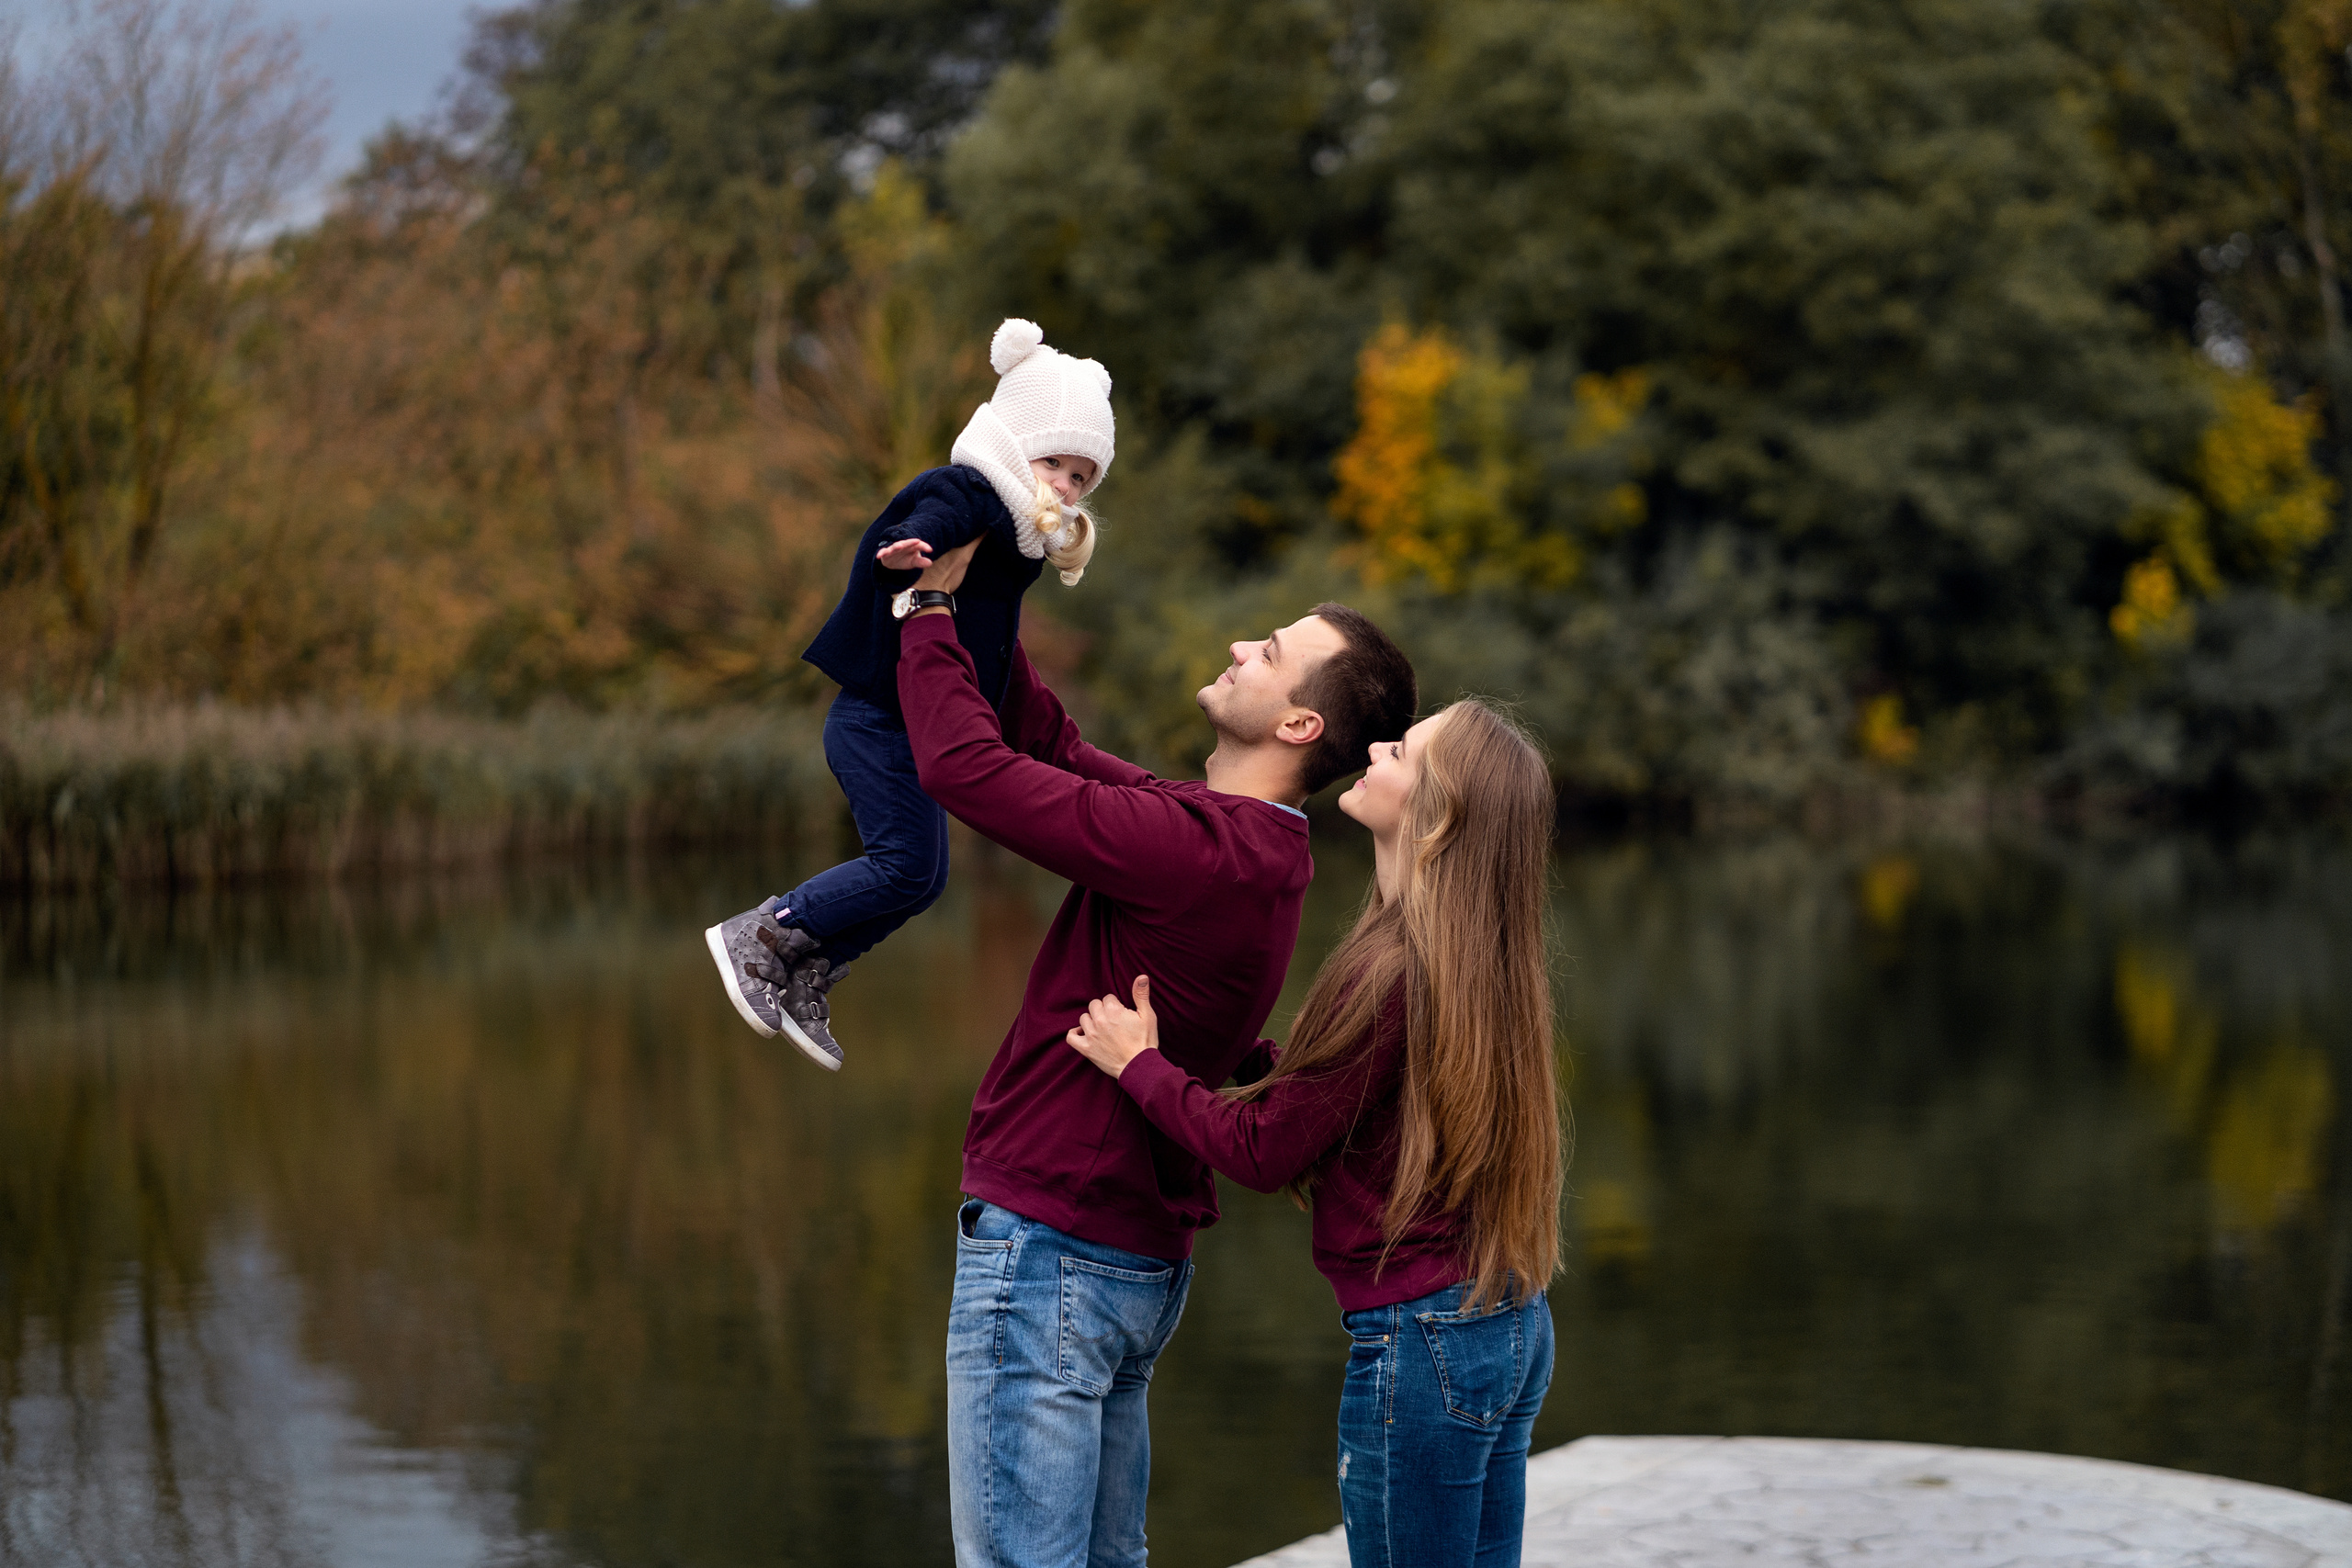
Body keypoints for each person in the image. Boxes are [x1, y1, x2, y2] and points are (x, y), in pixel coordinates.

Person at [892, 536, 1419, 1568]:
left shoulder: (1194, 849)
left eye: (1267, 651)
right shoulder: (1238, 840)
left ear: (1300, 724)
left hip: (1054, 1253)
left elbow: (964, 768)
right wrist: (988, 586)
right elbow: (1046, 742)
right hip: (1117, 1258)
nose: (1238, 646)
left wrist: (921, 619)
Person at [1066, 699, 1563, 1568]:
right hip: (1505, 1320)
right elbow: (1352, 1094)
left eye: (1400, 749)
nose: (1373, 747)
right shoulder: (1467, 958)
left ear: (1436, 812)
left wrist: (1140, 1065)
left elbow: (1265, 1149)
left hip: (1425, 1344)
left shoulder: (1389, 968)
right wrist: (1229, 1048)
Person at [703, 317, 1113, 1069]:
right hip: (877, 719)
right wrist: (909, 550)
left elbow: (994, 647)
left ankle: (808, 967)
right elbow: (933, 509)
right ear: (1016, 443)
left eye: (1079, 477)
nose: (1063, 484)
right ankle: (761, 933)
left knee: (922, 876)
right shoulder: (975, 491)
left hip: (908, 729)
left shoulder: (1020, 542)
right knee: (902, 864)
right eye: (1053, 462)